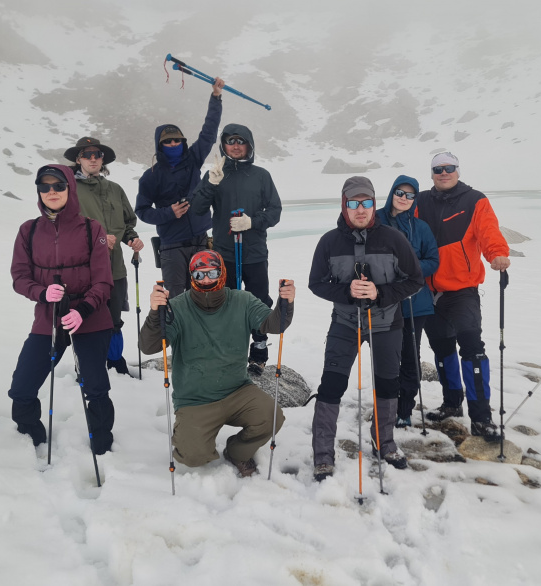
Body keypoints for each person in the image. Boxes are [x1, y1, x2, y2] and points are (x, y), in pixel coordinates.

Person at [307, 177, 424, 482]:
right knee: (331, 386)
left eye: (367, 202)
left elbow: (415, 280)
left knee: (387, 385)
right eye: (354, 203)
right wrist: (347, 292)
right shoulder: (329, 242)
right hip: (345, 324)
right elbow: (316, 283)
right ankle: (323, 454)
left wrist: (380, 293)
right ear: (344, 205)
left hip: (387, 324)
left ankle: (384, 443)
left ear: (374, 204)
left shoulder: (394, 239)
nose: (361, 209)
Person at [139, 250, 294, 477]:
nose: (205, 280)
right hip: (195, 399)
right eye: (199, 274)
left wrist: (285, 302)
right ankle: (193, 437)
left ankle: (237, 452)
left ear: (221, 273)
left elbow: (273, 324)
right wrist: (155, 312)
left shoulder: (242, 300)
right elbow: (148, 346)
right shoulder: (177, 307)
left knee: (271, 418)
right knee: (193, 457)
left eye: (211, 273)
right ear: (191, 276)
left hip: (237, 390)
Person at [7, 165, 116, 454]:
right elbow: (19, 277)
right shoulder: (29, 230)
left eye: (58, 185)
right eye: (44, 187)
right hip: (49, 316)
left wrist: (83, 310)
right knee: (22, 386)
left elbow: (103, 281)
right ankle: (30, 437)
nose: (51, 191)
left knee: (95, 386)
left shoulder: (92, 229)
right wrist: (41, 292)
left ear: (70, 188)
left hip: (90, 317)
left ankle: (101, 441)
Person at [414, 152, 510, 441]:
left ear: (458, 170)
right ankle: (452, 403)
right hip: (428, 291)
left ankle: (481, 418)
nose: (444, 173)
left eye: (449, 168)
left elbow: (488, 231)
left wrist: (497, 254)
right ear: (431, 174)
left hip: (462, 290)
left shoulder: (474, 200)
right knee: (442, 349)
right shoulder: (420, 201)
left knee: (472, 346)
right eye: (438, 169)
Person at [190, 124, 282, 374]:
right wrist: (211, 184)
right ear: (223, 145)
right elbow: (197, 208)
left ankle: (259, 351)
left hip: (254, 252)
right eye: (230, 141)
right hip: (224, 253)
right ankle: (227, 352)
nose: (236, 145)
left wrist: (253, 222)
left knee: (258, 301)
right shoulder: (215, 174)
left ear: (249, 145)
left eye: (241, 141)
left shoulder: (261, 175)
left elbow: (275, 211)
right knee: (224, 302)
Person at [135, 78, 224, 297]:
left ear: (183, 142)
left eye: (177, 140)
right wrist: (169, 212)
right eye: (168, 141)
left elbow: (209, 134)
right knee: (177, 300)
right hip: (171, 246)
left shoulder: (193, 159)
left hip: (201, 242)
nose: (173, 144)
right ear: (160, 145)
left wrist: (216, 97)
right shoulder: (151, 176)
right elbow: (142, 211)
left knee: (205, 294)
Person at [63, 137, 145, 376]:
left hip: (115, 267)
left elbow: (127, 223)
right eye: (86, 154)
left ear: (102, 159)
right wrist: (98, 238)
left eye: (97, 155)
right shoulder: (68, 189)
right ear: (78, 159)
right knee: (86, 317)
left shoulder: (115, 189)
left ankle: (115, 360)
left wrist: (132, 238)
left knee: (114, 318)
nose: (92, 159)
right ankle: (87, 365)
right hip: (83, 269)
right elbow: (64, 227)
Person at [376, 175, 440, 428]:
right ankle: (386, 405)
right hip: (382, 301)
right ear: (392, 193)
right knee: (386, 358)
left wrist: (409, 269)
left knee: (410, 356)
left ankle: (405, 409)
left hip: (415, 302)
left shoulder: (420, 227)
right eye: (400, 193)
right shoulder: (375, 221)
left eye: (410, 195)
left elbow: (433, 260)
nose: (404, 198)